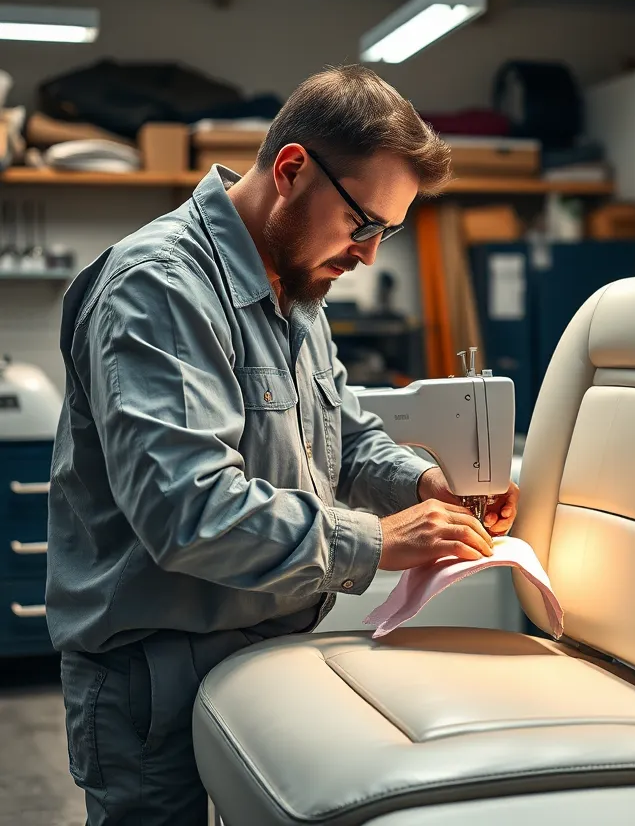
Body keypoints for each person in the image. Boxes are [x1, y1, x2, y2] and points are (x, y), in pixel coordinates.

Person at [46, 65, 520, 825]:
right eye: (364, 223)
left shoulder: (296, 281)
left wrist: (424, 485)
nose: (368, 255)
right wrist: (377, 541)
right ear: (293, 170)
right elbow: (188, 509)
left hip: (256, 648)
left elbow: (341, 437)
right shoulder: (159, 287)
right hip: (151, 672)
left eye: (387, 233)